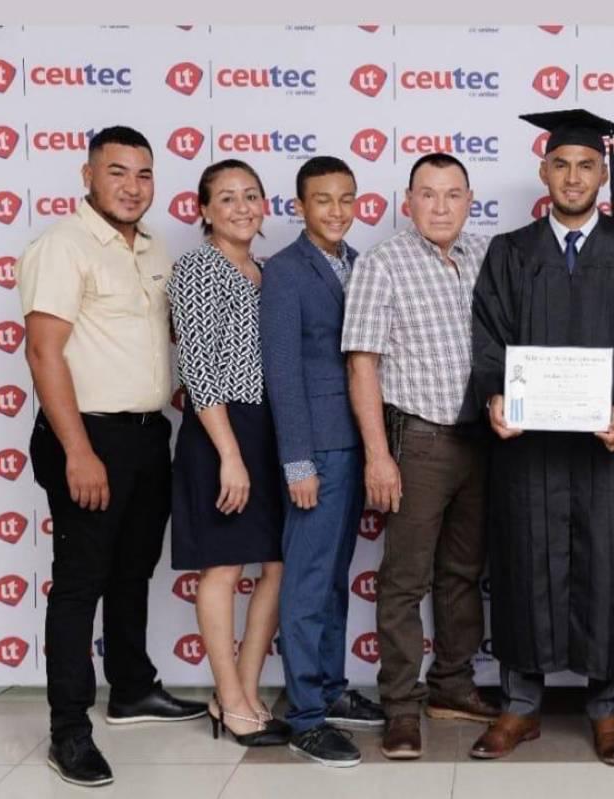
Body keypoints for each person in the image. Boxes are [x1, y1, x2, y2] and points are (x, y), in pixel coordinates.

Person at [467, 109, 614, 765]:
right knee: (523, 563)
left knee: (607, 569)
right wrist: (495, 397)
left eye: (587, 165)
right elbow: (488, 342)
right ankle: (520, 706)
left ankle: (606, 706)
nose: (574, 176)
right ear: (544, 172)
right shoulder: (511, 252)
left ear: (602, 172)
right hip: (527, 449)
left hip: (603, 450)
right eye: (562, 164)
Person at [18, 125, 207, 788]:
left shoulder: (154, 247)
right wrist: (77, 449)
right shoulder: (63, 245)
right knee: (80, 582)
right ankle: (69, 729)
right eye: (118, 171)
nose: (132, 186)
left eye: (144, 174)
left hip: (148, 434)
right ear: (88, 175)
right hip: (87, 435)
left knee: (132, 570)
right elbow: (44, 351)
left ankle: (130, 686)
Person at [342, 153, 500, 761]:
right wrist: (378, 456)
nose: (441, 207)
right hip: (420, 441)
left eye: (453, 195)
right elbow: (362, 363)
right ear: (407, 201)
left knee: (463, 573)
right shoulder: (383, 264)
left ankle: (453, 688)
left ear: (469, 200)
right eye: (428, 195)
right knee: (405, 580)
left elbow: (558, 268)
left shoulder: (487, 255)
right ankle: (400, 708)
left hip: (482, 441)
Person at [260, 155, 386, 767]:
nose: (336, 211)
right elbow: (282, 373)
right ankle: (306, 714)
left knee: (333, 577)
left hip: (356, 442)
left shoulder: (361, 264)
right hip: (315, 449)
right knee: (308, 581)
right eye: (322, 200)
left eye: (346, 199)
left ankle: (331, 691)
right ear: (300, 206)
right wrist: (297, 463)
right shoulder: (284, 271)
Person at [167, 159, 288, 747]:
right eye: (228, 198)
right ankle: (230, 698)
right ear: (204, 210)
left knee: (276, 564)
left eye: (252, 196)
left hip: (268, 429)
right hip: (220, 428)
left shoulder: (266, 271)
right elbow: (197, 367)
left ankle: (239, 691)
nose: (242, 207)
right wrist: (230, 455)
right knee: (224, 566)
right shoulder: (196, 268)